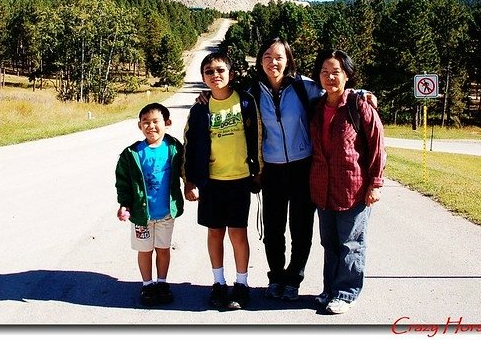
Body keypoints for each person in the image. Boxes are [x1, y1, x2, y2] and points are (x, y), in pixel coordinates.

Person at [250, 37, 378, 302]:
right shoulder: (251, 92)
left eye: (279, 57)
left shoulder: (304, 87)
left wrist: (361, 92)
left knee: (301, 229)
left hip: (302, 167)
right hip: (272, 169)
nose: (273, 62)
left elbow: (337, 93)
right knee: (273, 229)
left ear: (288, 60)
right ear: (260, 59)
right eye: (268, 56)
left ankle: (294, 277)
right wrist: (205, 98)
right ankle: (276, 276)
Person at [183, 51, 262, 310]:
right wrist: (190, 180)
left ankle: (242, 284)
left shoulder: (246, 102)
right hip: (212, 182)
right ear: (203, 78)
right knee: (215, 233)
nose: (215, 75)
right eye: (209, 71)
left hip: (239, 180)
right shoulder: (200, 108)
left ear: (231, 74)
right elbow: (190, 145)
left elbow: (258, 135)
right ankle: (218, 283)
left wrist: (258, 170)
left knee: (238, 234)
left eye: (220, 70)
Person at [309, 49, 386, 315]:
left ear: (347, 75)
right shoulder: (317, 107)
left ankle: (346, 293)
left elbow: (377, 147)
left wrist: (375, 184)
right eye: (324, 72)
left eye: (336, 72)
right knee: (329, 244)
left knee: (351, 243)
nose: (330, 77)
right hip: (323, 188)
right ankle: (329, 289)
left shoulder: (359, 106)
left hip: (353, 188)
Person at [115, 102, 185, 307]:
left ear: (167, 123)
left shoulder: (174, 148)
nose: (151, 126)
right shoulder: (131, 153)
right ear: (139, 126)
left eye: (156, 121)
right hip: (140, 215)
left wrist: (192, 186)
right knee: (144, 250)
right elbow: (123, 182)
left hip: (166, 213)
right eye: (145, 122)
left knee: (163, 248)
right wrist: (124, 204)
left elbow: (185, 170)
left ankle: (162, 283)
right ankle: (147, 284)